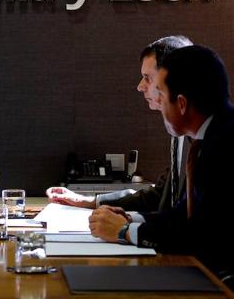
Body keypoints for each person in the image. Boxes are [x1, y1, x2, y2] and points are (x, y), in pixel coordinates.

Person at [89, 45, 234, 280]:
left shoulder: (224, 147)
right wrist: (131, 218)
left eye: (162, 95)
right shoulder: (213, 136)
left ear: (182, 103)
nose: (158, 102)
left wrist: (126, 232)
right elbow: (184, 214)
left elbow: (202, 237)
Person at [46, 36, 192, 211]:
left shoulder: (205, 138)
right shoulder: (180, 133)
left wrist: (127, 230)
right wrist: (89, 201)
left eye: (147, 77)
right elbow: (161, 196)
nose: (140, 86)